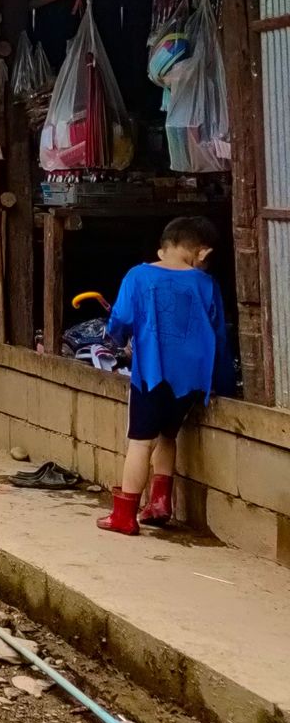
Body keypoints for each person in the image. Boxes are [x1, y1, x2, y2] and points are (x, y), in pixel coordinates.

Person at [97, 215, 229, 535]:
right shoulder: (207, 284)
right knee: (168, 435)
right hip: (192, 380)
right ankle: (160, 503)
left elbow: (122, 319)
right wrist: (222, 385)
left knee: (140, 442)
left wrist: (113, 338)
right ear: (202, 253)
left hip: (152, 375)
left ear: (163, 249)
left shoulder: (139, 276)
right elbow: (220, 335)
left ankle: (125, 514)